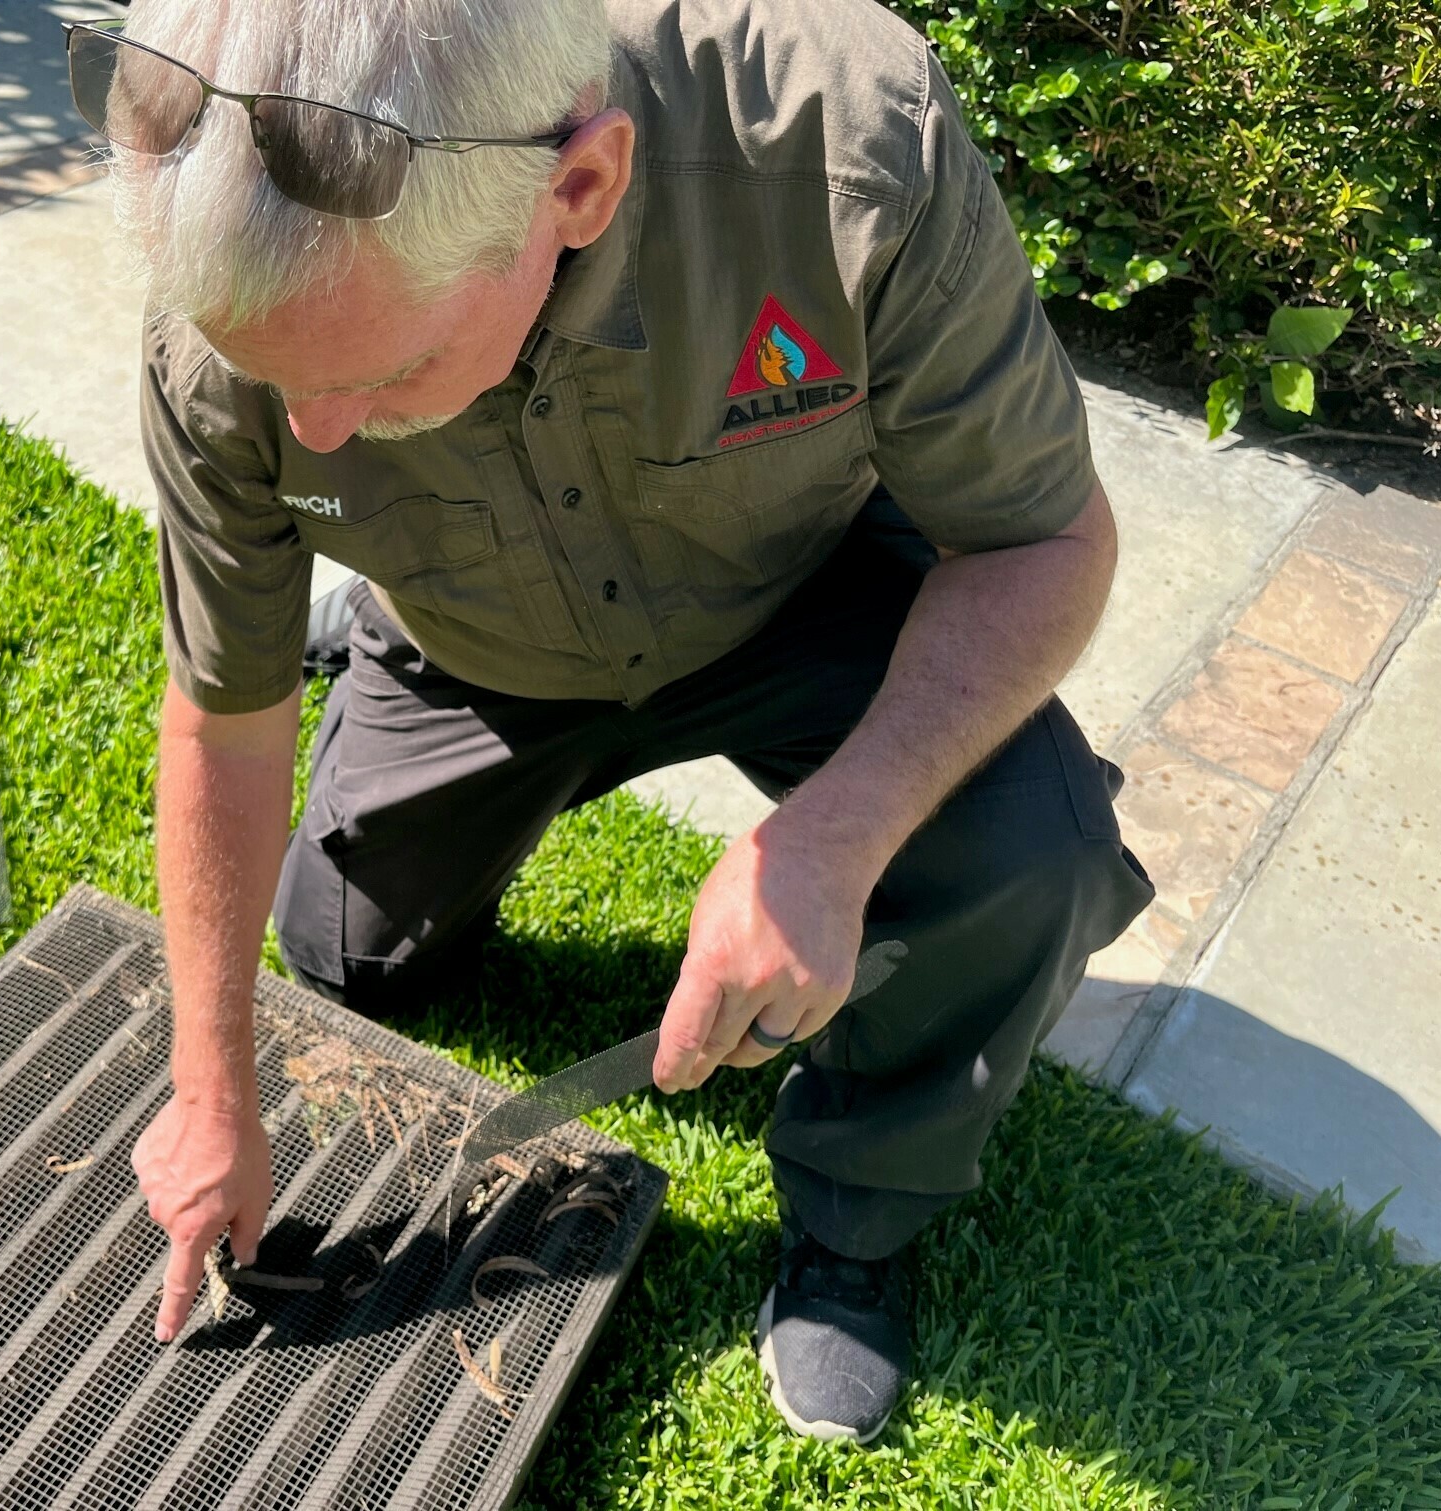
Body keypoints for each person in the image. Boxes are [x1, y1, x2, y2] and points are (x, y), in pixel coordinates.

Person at [75, 0, 1154, 1444]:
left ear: (574, 188)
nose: (315, 434)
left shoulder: (841, 134)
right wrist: (210, 1092)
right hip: (476, 632)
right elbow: (222, 712)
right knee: (344, 952)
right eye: (283, 380)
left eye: (383, 373)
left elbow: (1043, 546)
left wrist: (828, 840)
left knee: (1035, 852)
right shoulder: (216, 325)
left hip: (804, 593)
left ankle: (858, 1222)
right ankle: (376, 631)